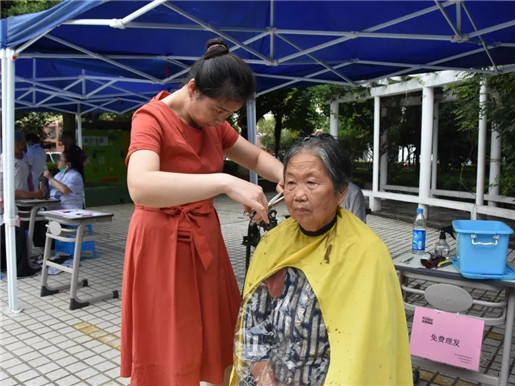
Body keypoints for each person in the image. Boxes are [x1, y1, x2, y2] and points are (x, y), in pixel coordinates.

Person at [120, 38, 283, 386]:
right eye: (220, 111)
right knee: (171, 338)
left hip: (204, 239)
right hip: (161, 243)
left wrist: (290, 177)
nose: (222, 120)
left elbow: (253, 157)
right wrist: (223, 182)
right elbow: (141, 185)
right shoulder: (151, 119)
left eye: (229, 114)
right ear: (193, 89)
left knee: (218, 330)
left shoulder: (212, 124)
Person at [232, 134, 412, 385]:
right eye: (291, 183)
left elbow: (371, 347)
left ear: (341, 192)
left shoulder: (366, 253)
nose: (298, 195)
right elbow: (254, 323)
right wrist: (264, 376)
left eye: (312, 183)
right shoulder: (272, 245)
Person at [0, 131, 44, 277]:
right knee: (15, 234)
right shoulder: (4, 160)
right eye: (17, 143)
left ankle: (24, 261)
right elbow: (11, 189)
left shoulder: (24, 157)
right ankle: (18, 266)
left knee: (31, 227)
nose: (21, 146)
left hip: (24, 200)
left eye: (22, 143)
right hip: (8, 203)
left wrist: (33, 193)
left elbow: (27, 180)